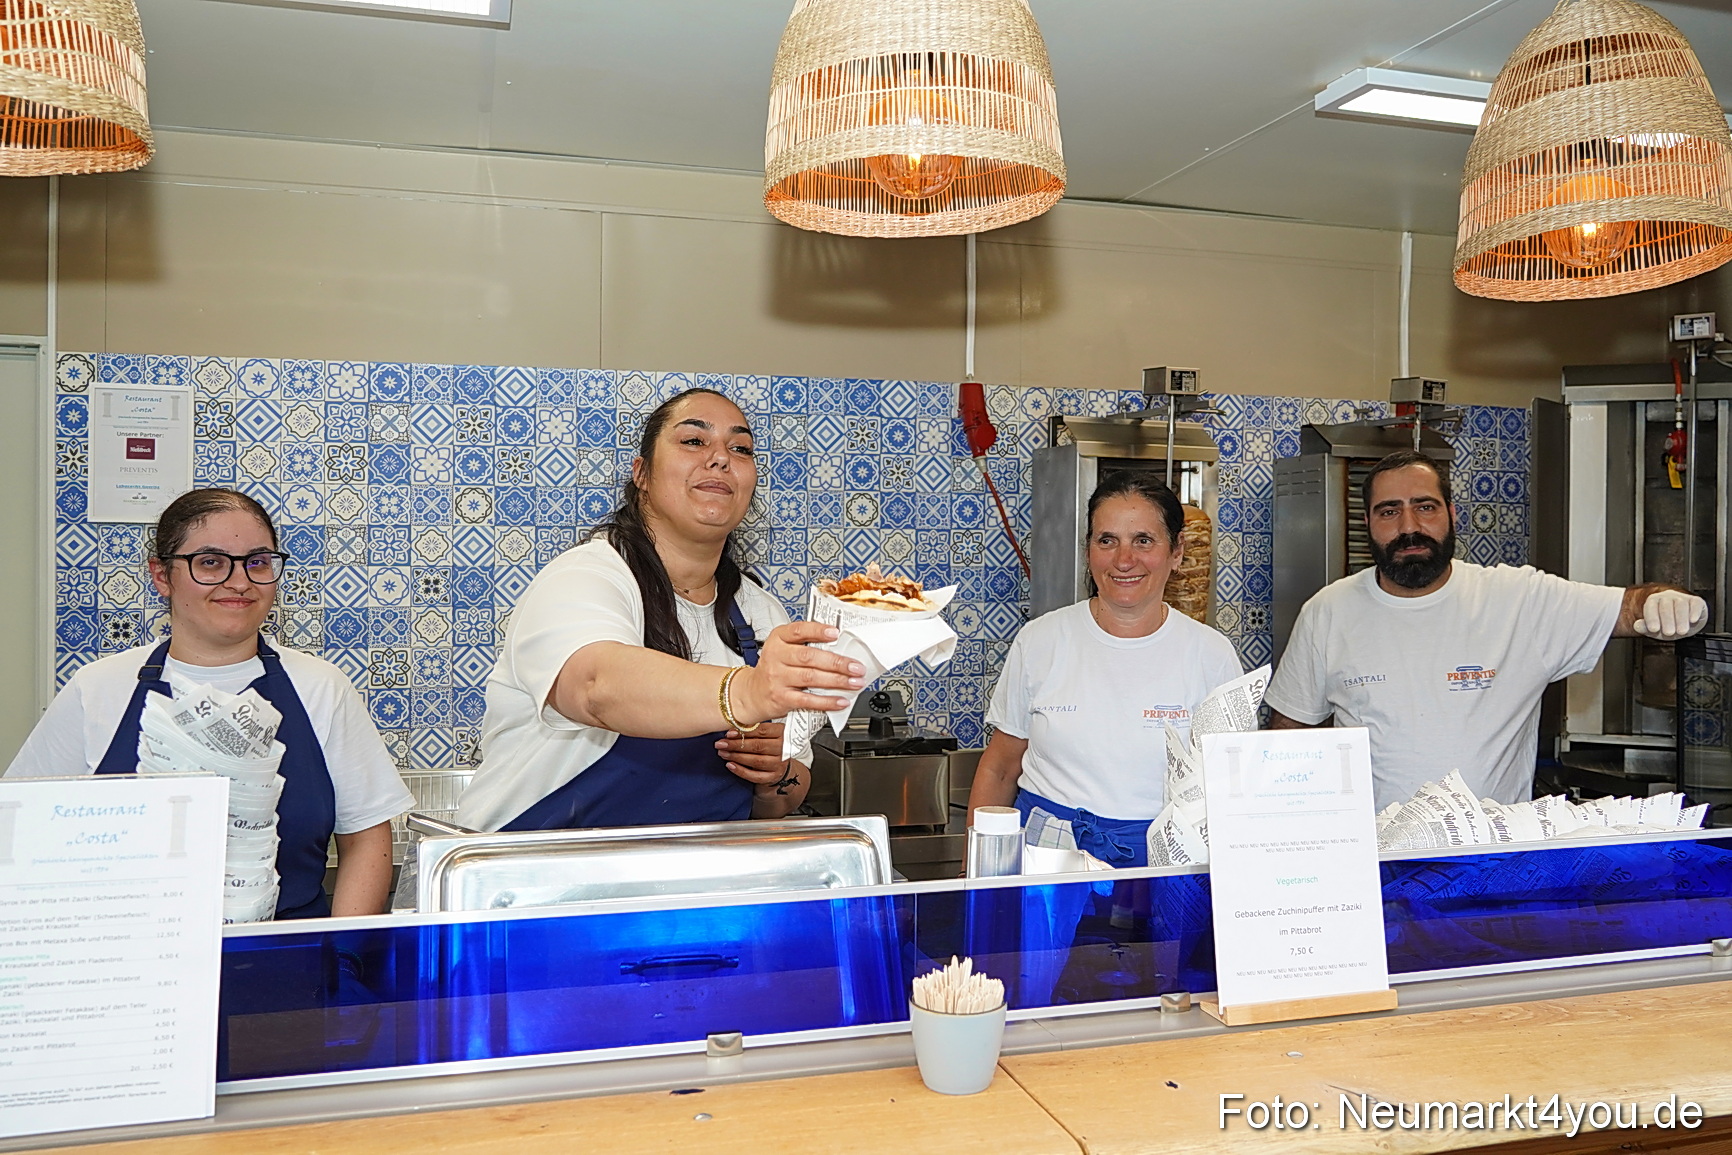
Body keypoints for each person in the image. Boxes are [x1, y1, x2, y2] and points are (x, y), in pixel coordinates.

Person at [459, 387, 864, 833]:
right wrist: (748, 692)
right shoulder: (585, 577)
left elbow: (780, 801)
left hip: (686, 881)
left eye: (740, 448)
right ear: (642, 474)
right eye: (694, 441)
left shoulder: (759, 611)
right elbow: (597, 686)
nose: (720, 458)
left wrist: (774, 775)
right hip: (535, 873)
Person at [6, 488, 413, 918]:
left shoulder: (321, 688)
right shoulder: (99, 690)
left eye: (257, 562)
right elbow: (23, 832)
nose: (240, 582)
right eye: (211, 562)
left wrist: (340, 961)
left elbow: (366, 838)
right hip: (136, 966)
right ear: (162, 575)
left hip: (290, 966)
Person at [1266, 449, 1709, 810]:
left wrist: (1665, 601)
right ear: (1368, 525)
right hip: (1377, 864)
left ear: (1451, 514)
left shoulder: (1519, 600)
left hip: (1494, 863)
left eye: (1425, 507)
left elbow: (1629, 605)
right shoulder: (1328, 612)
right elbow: (1288, 737)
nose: (1409, 528)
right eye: (1389, 512)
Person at [966, 472, 1243, 866]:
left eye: (1143, 541)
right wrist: (974, 872)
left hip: (1162, 865)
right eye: (1107, 541)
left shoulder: (1211, 655)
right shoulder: (1040, 641)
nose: (1124, 560)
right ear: (1089, 549)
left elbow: (1232, 788)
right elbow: (1000, 767)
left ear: (1176, 552)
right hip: (1045, 859)